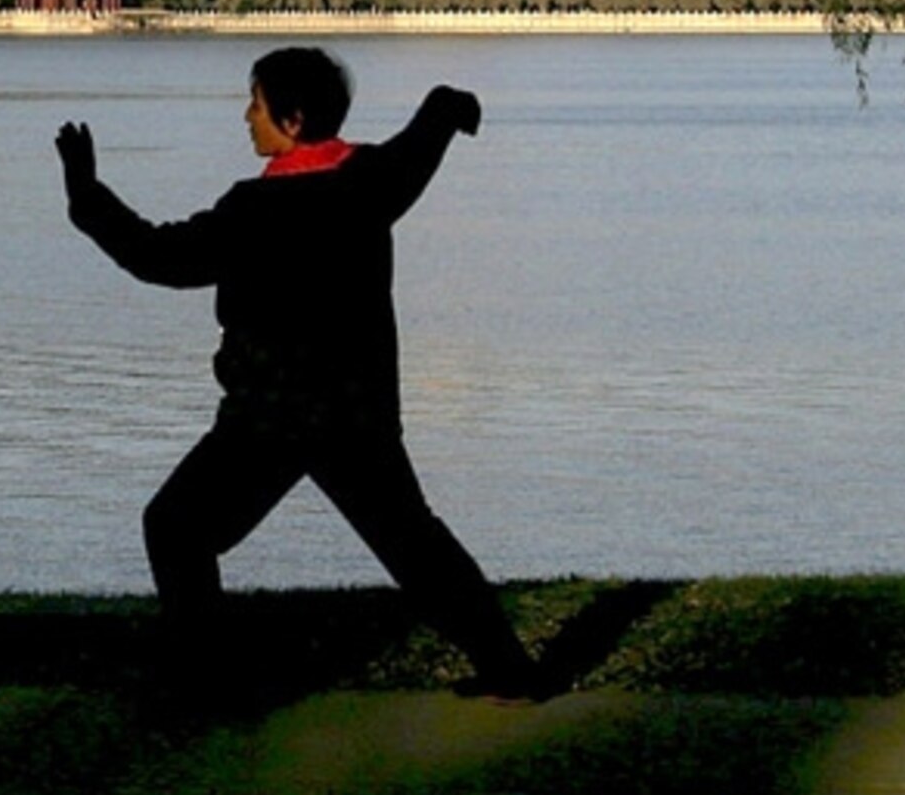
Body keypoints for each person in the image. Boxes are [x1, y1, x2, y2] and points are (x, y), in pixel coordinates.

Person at [56, 47, 543, 698]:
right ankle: (511, 670)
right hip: (356, 413)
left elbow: (157, 255)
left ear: (291, 118)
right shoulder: (372, 180)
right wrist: (449, 106)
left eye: (255, 104)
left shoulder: (251, 212)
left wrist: (87, 196)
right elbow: (422, 140)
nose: (245, 116)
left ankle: (202, 677)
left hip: (268, 417)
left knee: (176, 528)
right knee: (415, 546)